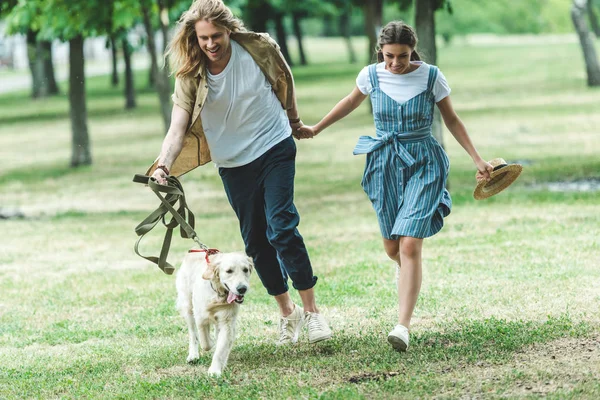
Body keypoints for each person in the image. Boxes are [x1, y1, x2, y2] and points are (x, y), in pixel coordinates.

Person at [297, 21, 493, 351]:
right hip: (384, 163)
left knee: (410, 244)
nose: (395, 64)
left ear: (411, 51)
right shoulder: (371, 75)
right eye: (388, 56)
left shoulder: (431, 76)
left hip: (424, 163)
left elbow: (452, 119)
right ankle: (405, 275)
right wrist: (316, 128)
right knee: (393, 247)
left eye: (402, 57)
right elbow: (349, 101)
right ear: (381, 52)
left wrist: (477, 159)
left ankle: (402, 325)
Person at [147, 0, 332, 346]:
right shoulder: (190, 74)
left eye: (216, 36)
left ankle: (313, 313)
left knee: (282, 227)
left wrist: (293, 121)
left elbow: (285, 79)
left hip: (274, 145)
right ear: (194, 37)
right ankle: (287, 312)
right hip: (233, 164)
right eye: (203, 38)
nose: (210, 44)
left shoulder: (259, 48)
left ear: (229, 30)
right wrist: (163, 165)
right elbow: (177, 128)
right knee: (257, 244)